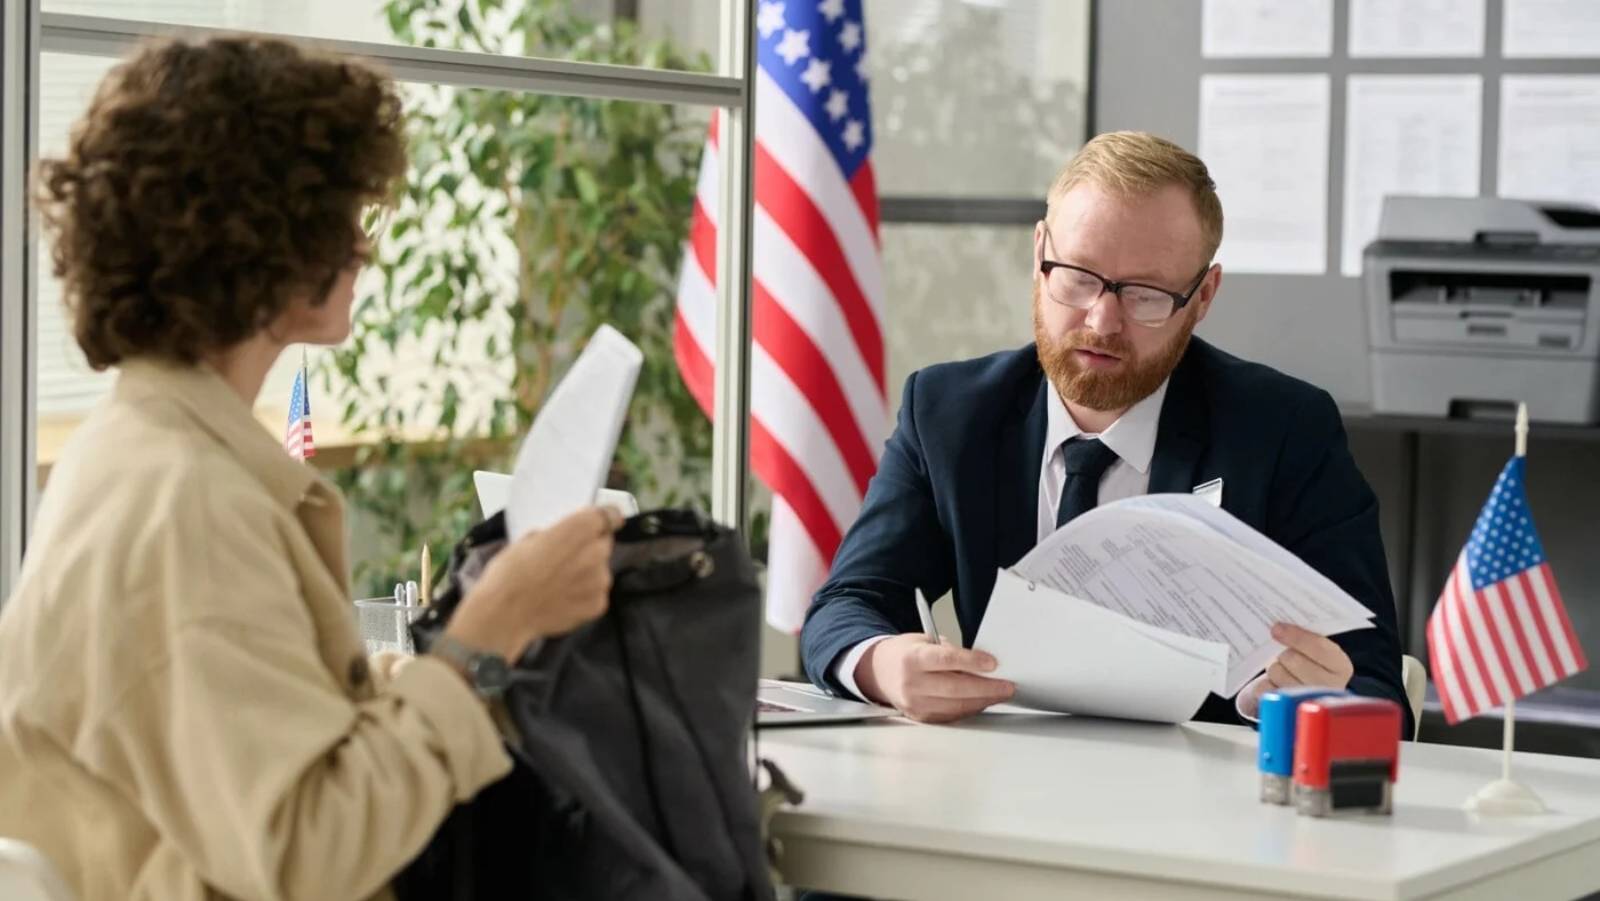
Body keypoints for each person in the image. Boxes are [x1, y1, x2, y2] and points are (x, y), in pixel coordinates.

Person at [0, 36, 620, 901]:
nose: (361, 249)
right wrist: (491, 629)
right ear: (265, 242)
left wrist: (427, 670)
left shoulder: (143, 453)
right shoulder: (189, 503)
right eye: (341, 216)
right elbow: (308, 853)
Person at [800, 131, 1410, 732]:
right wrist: (883, 665)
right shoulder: (948, 412)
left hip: (1204, 811)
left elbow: (1374, 680)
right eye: (1078, 276)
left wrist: (1289, 699)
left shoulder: (1285, 432)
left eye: (1146, 294)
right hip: (997, 790)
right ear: (1039, 254)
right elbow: (847, 606)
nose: (1102, 319)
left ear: (1203, 297)